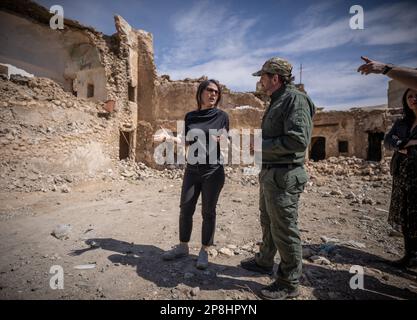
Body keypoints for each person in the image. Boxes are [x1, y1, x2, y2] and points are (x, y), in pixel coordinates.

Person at [240, 57, 315, 299]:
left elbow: (297, 140)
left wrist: (261, 145)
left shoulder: (295, 99)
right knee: (268, 221)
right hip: (271, 173)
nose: (259, 81)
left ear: (275, 78)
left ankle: (288, 281)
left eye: (262, 77)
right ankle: (264, 261)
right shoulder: (277, 100)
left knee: (284, 227)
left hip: (285, 175)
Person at [157, 79, 229, 270]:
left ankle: (204, 250)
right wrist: (169, 138)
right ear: (201, 93)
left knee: (208, 211)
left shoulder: (222, 116)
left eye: (216, 92)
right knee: (186, 208)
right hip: (192, 169)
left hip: (213, 171)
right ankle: (183, 246)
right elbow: (185, 141)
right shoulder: (190, 117)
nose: (213, 94)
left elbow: (225, 139)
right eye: (210, 90)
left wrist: (224, 140)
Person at [384, 88, 417, 268]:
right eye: (409, 96)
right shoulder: (402, 122)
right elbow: (388, 141)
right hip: (402, 174)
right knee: (404, 213)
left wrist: (403, 145)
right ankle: (409, 255)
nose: (413, 99)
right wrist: (409, 143)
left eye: (416, 95)